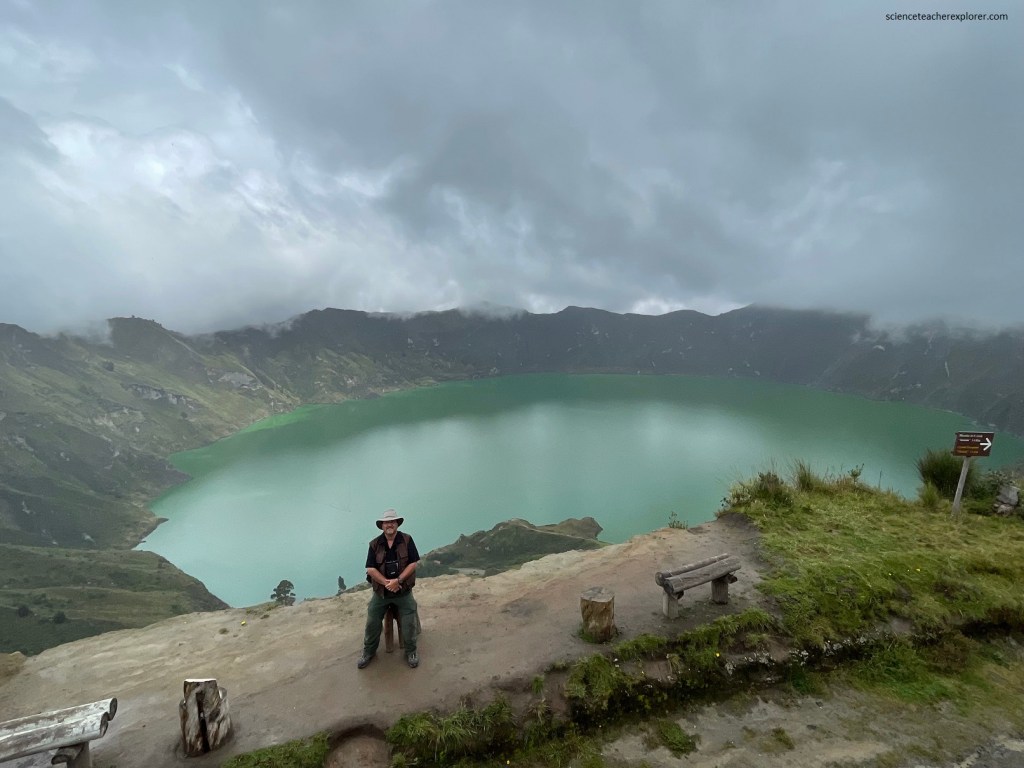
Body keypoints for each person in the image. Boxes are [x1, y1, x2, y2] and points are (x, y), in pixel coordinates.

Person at [357, 508, 421, 669]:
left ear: (397, 524)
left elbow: (413, 563)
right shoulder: (374, 544)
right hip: (382, 593)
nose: (389, 525)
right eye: (386, 522)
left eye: (392, 521)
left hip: (403, 590)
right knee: (372, 620)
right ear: (382, 526)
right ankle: (368, 651)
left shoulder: (407, 540)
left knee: (409, 620)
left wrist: (398, 581)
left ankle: (411, 651)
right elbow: (370, 569)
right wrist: (387, 583)